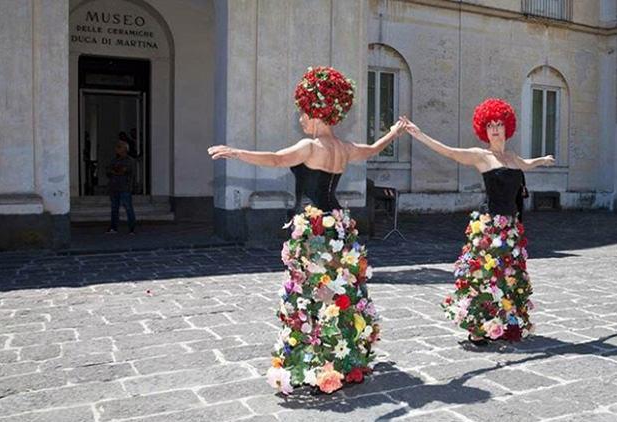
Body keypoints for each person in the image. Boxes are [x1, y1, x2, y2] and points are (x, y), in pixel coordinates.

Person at [208, 66, 404, 395]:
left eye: (302, 112)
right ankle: (344, 357)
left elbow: (273, 159)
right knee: (340, 290)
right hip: (338, 225)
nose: (300, 119)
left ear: (315, 111)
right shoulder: (344, 147)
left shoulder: (310, 146)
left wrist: (236, 152)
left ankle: (317, 362)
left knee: (314, 293)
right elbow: (372, 150)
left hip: (313, 227)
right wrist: (393, 133)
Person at [400, 98, 554, 346]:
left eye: (499, 124)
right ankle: (479, 325)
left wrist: (542, 160)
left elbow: (527, 164)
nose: (495, 129)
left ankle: (506, 321)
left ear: (507, 128)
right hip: (490, 226)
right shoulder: (481, 156)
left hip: (510, 227)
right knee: (485, 276)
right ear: (484, 129)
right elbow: (450, 152)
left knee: (508, 275)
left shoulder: (513, 158)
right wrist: (420, 136)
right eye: (490, 125)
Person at [106, 140, 136, 235]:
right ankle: (113, 228)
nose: (116, 149)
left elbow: (122, 171)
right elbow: (108, 171)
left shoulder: (130, 160)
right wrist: (115, 171)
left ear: (125, 149)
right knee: (114, 208)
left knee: (128, 208)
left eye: (119, 147)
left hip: (125, 188)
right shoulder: (114, 160)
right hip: (114, 187)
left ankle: (132, 229)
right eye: (117, 147)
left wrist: (114, 171)